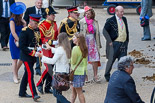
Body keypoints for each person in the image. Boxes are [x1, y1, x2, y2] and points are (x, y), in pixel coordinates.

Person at [37, 32, 71, 103]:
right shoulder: (67, 48)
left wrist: (42, 56)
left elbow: (52, 61)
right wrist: (50, 48)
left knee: (55, 93)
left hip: (59, 73)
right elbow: (59, 52)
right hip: (65, 72)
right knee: (59, 92)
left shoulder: (60, 49)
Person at [103, 6, 129, 82]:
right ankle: (107, 75)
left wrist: (127, 40)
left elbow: (126, 30)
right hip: (114, 43)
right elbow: (104, 31)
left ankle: (122, 76)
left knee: (123, 61)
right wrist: (109, 41)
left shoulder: (124, 19)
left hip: (123, 43)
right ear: (116, 12)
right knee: (111, 60)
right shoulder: (110, 20)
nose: (122, 13)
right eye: (121, 12)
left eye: (123, 11)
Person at [18, 14, 41, 101]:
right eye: (35, 23)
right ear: (30, 21)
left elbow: (39, 40)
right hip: (26, 56)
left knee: (27, 73)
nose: (36, 25)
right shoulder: (25, 31)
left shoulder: (37, 30)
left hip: (33, 56)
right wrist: (32, 52)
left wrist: (39, 47)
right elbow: (22, 46)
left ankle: (22, 92)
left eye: (37, 23)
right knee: (30, 74)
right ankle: (34, 94)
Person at [36, 6, 58, 94]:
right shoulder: (42, 25)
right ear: (47, 15)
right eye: (52, 15)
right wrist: (50, 41)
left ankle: (47, 87)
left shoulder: (54, 24)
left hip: (52, 48)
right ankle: (39, 84)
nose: (54, 16)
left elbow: (56, 35)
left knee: (51, 68)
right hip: (45, 48)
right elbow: (40, 39)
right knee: (48, 68)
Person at [79, 6, 102, 82]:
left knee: (95, 59)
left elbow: (97, 33)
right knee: (84, 59)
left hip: (93, 41)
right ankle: (85, 77)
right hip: (85, 41)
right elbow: (80, 33)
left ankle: (95, 76)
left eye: (89, 14)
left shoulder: (95, 22)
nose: (87, 15)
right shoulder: (81, 21)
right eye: (86, 13)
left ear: (92, 14)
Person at [24, 0, 45, 76]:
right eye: (38, 3)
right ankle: (28, 68)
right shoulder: (29, 10)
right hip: (31, 32)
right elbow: (25, 20)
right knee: (31, 49)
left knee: (39, 49)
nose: (39, 4)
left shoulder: (44, 10)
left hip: (40, 32)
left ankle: (38, 69)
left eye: (41, 3)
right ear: (35, 3)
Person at [9, 2, 26, 84]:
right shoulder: (12, 21)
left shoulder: (22, 20)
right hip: (14, 40)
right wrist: (18, 40)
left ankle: (15, 71)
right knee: (15, 59)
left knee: (22, 58)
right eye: (21, 12)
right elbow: (13, 32)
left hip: (21, 39)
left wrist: (24, 23)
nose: (22, 13)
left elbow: (25, 30)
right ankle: (15, 76)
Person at [71, 33, 88, 103]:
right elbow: (85, 62)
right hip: (82, 72)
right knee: (74, 92)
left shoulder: (75, 48)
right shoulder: (85, 48)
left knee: (79, 92)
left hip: (76, 72)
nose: (72, 38)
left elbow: (73, 62)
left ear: (78, 39)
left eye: (74, 37)